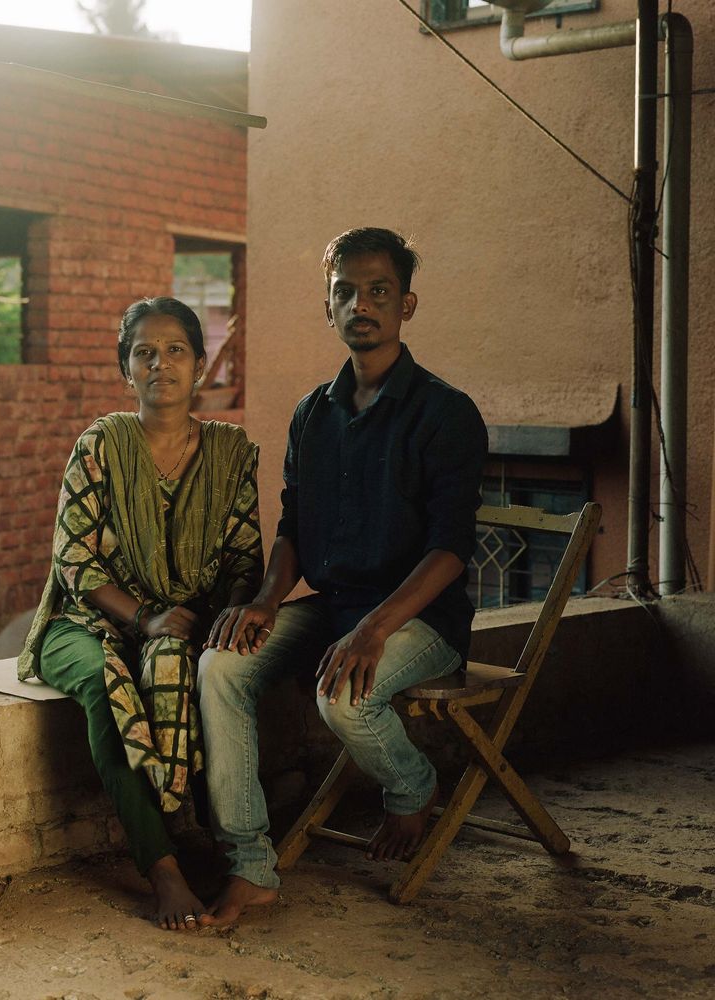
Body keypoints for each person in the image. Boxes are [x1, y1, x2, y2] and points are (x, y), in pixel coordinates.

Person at [197, 227, 488, 926]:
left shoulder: (445, 413)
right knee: (219, 666)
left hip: (420, 618)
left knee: (345, 696)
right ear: (329, 306)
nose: (362, 304)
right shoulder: (311, 414)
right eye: (345, 292)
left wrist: (373, 628)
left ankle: (413, 784)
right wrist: (269, 598)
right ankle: (251, 866)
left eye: (378, 290)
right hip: (332, 607)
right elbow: (294, 525)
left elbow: (451, 549)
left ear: (406, 304)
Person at [18, 297, 262, 931]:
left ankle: (207, 837)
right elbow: (75, 560)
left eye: (176, 350)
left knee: (200, 668)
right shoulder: (101, 443)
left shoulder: (231, 453)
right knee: (109, 685)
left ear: (201, 366)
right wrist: (146, 619)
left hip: (183, 624)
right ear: (127, 370)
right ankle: (164, 870)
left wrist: (213, 624)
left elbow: (244, 561)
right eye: (144, 353)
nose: (161, 364)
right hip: (83, 622)